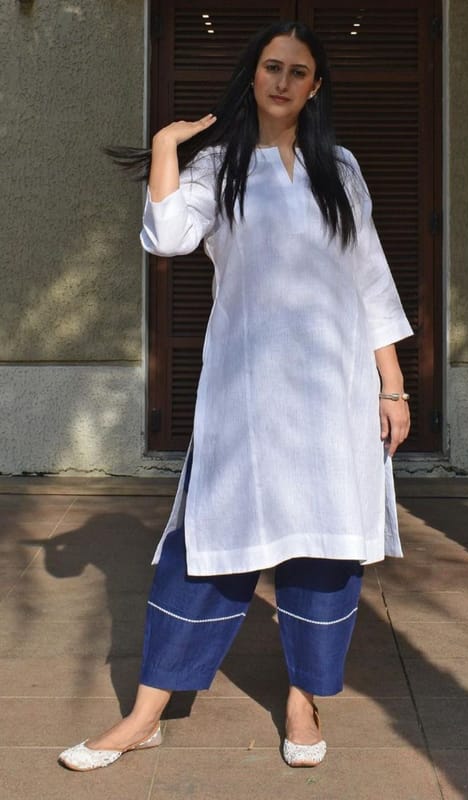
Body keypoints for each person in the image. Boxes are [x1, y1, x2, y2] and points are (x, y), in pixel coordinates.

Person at [59, 20, 412, 772]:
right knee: (209, 545)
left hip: (334, 393)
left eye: (297, 71)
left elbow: (369, 279)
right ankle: (145, 715)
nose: (282, 81)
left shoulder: (339, 168)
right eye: (271, 67)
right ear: (253, 76)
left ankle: (303, 701)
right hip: (248, 395)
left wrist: (392, 386)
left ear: (315, 87)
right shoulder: (218, 165)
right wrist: (165, 146)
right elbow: (167, 237)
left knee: (325, 548)